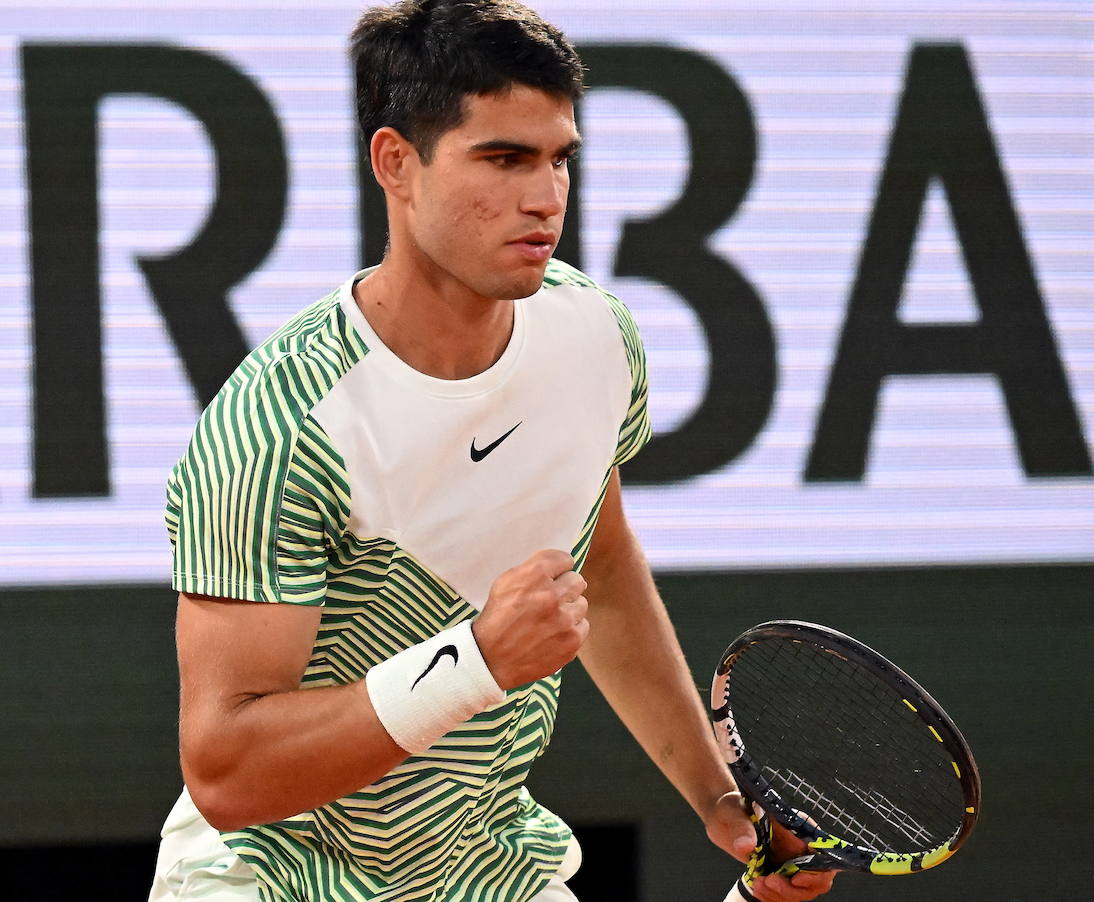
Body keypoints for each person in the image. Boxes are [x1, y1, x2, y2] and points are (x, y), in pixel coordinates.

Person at [147, 2, 836, 901]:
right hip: (269, 879)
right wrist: (474, 661)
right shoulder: (281, 432)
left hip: (487, 863)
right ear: (397, 163)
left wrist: (715, 792)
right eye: (504, 158)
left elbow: (604, 563)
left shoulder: (592, 331)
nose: (545, 197)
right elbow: (228, 772)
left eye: (559, 160)